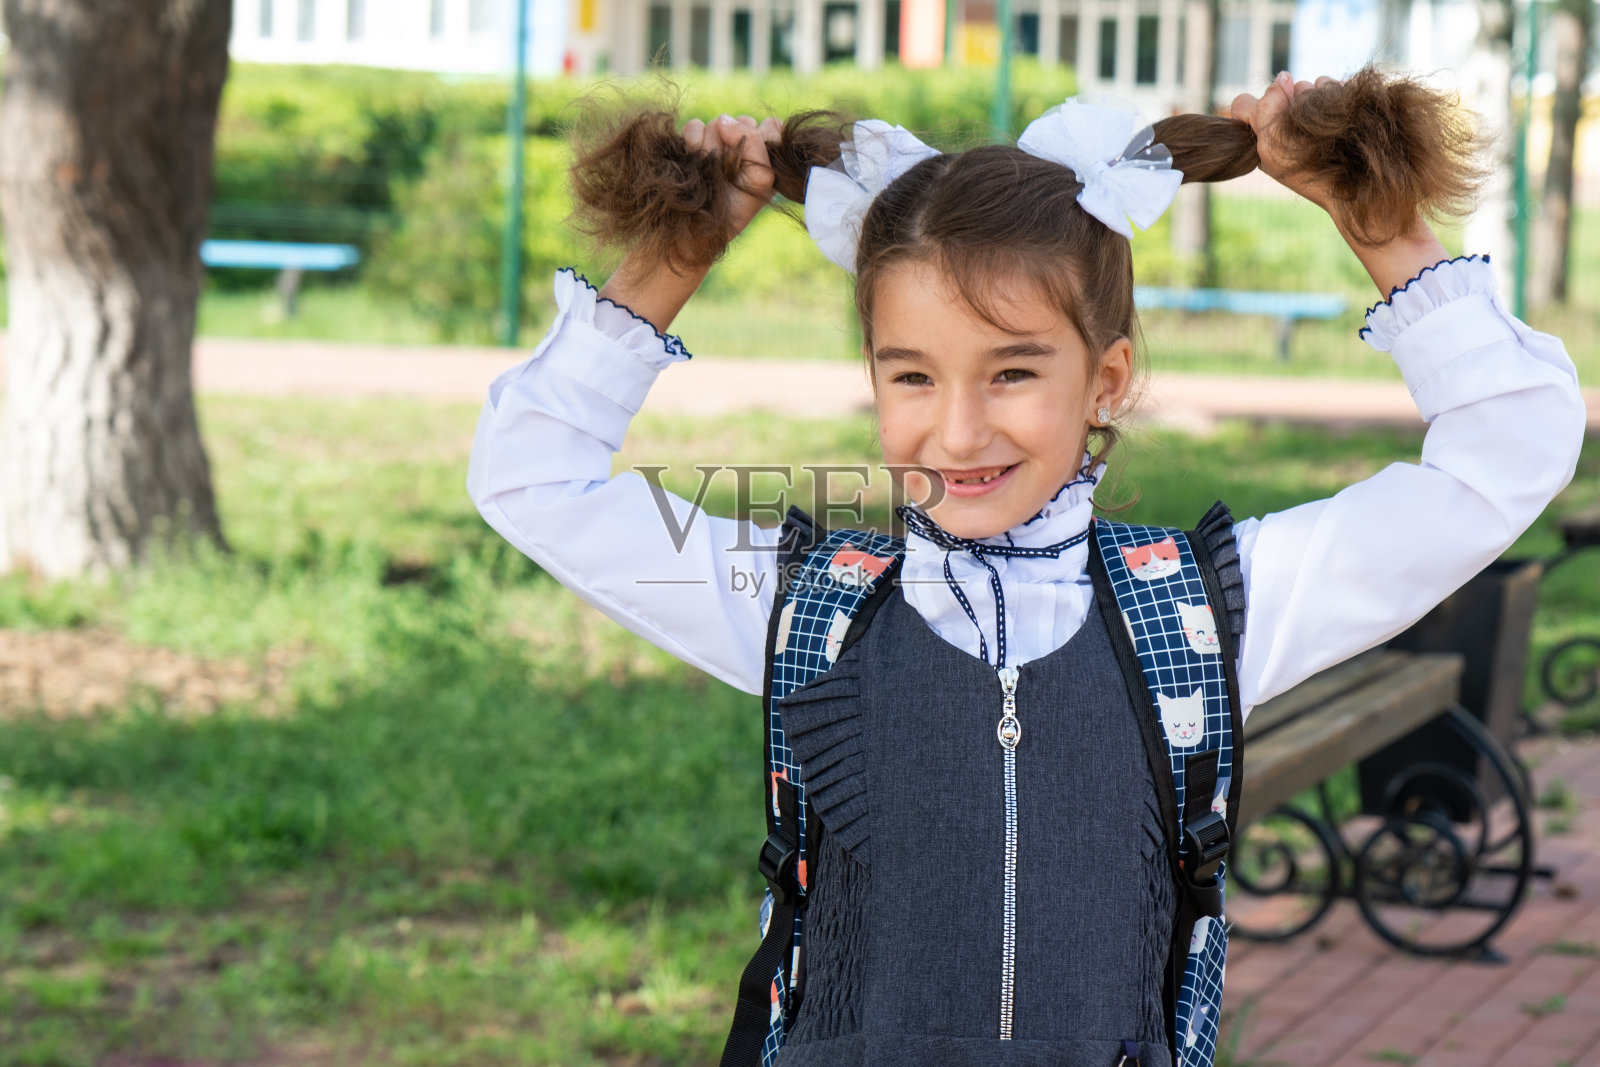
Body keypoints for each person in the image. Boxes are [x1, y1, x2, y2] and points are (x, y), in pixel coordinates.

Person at [468, 69, 1586, 1066]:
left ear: (1105, 380)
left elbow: (1506, 449)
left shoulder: (1205, 614)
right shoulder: (805, 606)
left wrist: (1380, 226)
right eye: (910, 377)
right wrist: (670, 259)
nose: (955, 433)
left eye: (1010, 373)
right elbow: (530, 475)